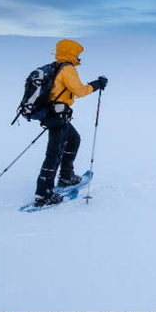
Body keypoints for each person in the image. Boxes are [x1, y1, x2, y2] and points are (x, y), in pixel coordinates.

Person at [35, 39, 107, 206]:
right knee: (54, 154)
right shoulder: (67, 68)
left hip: (56, 114)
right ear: (70, 53)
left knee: (74, 139)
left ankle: (66, 177)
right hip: (56, 116)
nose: (79, 57)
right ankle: (43, 194)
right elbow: (79, 91)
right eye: (77, 53)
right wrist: (96, 85)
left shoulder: (56, 66)